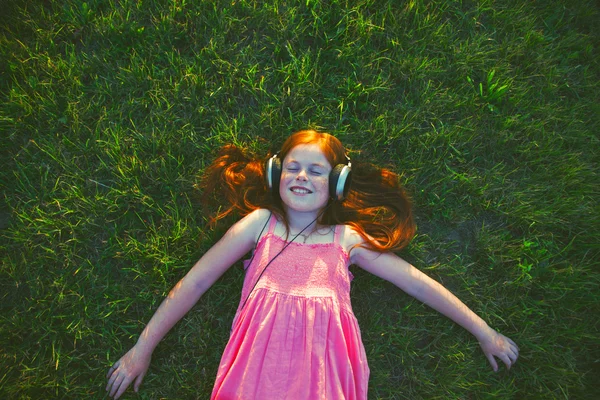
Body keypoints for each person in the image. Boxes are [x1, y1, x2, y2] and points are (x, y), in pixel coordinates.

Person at [106, 130, 519, 399]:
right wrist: (142, 349)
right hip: (255, 376)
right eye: (293, 167)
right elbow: (196, 282)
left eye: (316, 171)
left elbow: (417, 284)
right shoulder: (261, 225)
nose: (302, 176)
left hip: (323, 381)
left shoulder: (346, 240)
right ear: (275, 174)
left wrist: (484, 331)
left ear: (336, 183)